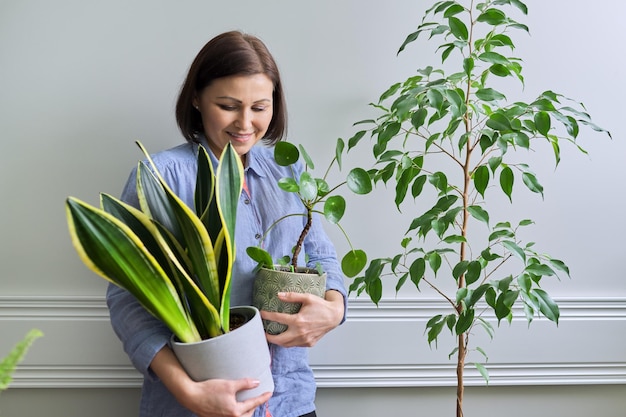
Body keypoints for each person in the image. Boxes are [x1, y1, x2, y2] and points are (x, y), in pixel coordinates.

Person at [106, 31, 347, 417]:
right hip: (196, 405)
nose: (245, 123)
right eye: (228, 105)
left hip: (290, 400)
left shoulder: (290, 169)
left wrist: (333, 310)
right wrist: (188, 393)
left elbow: (320, 256)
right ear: (197, 99)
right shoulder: (160, 178)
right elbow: (129, 301)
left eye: (260, 107)